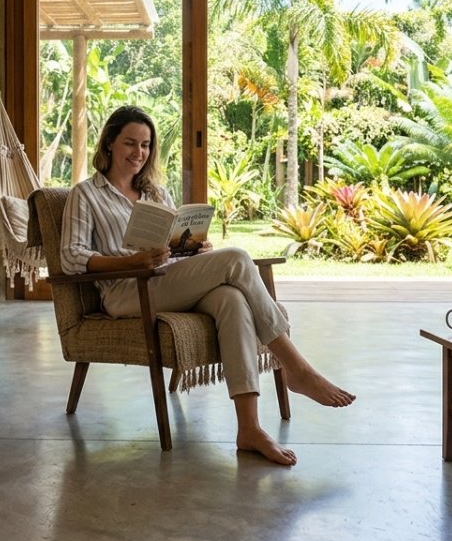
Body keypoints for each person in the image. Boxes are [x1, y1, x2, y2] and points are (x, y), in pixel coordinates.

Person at [61, 105, 356, 466]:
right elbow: (71, 256)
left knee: (232, 299)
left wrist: (193, 250)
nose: (139, 152)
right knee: (237, 259)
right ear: (109, 143)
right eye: (130, 143)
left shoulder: (156, 193)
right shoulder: (85, 194)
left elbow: (170, 249)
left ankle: (249, 429)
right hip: (125, 291)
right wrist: (131, 262)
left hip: (166, 281)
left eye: (146, 145)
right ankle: (297, 368)